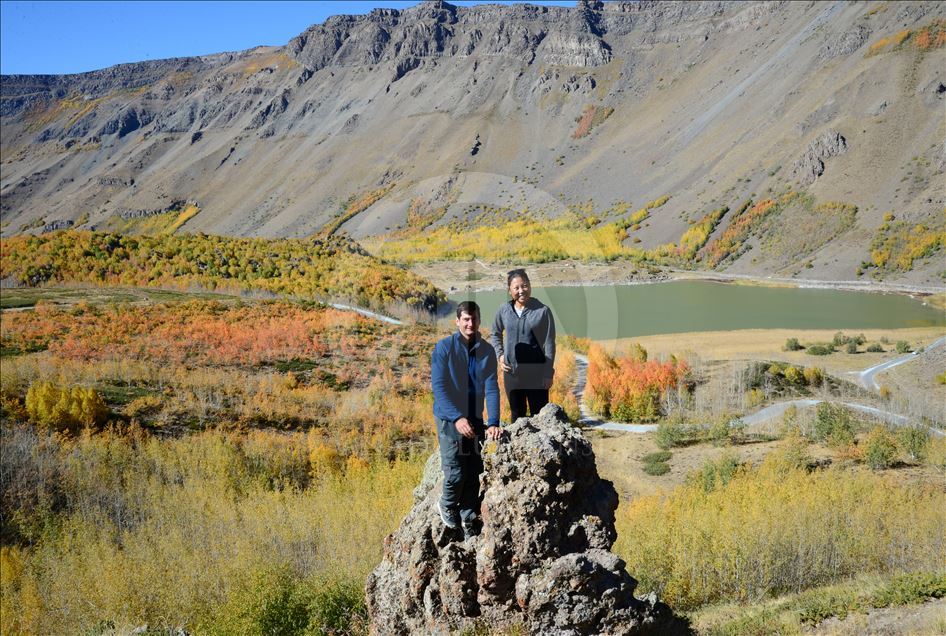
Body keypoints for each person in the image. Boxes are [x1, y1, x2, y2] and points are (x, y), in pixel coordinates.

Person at [431, 300, 502, 538]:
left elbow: (492, 388)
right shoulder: (444, 348)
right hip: (449, 418)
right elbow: (439, 389)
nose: (470, 323)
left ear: (479, 320)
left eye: (474, 319)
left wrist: (493, 422)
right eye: (465, 319)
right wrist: (456, 417)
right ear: (458, 321)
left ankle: (469, 518)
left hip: (474, 418)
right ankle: (448, 505)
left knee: (474, 471)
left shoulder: (487, 351)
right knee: (456, 472)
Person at [490, 269, 556, 422]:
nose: (521, 291)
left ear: (530, 286)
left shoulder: (542, 311)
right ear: (509, 291)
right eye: (516, 288)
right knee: (516, 414)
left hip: (536, 375)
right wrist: (500, 356)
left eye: (524, 286)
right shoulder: (504, 310)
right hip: (512, 375)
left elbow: (549, 343)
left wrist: (548, 373)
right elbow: (495, 333)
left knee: (539, 416)